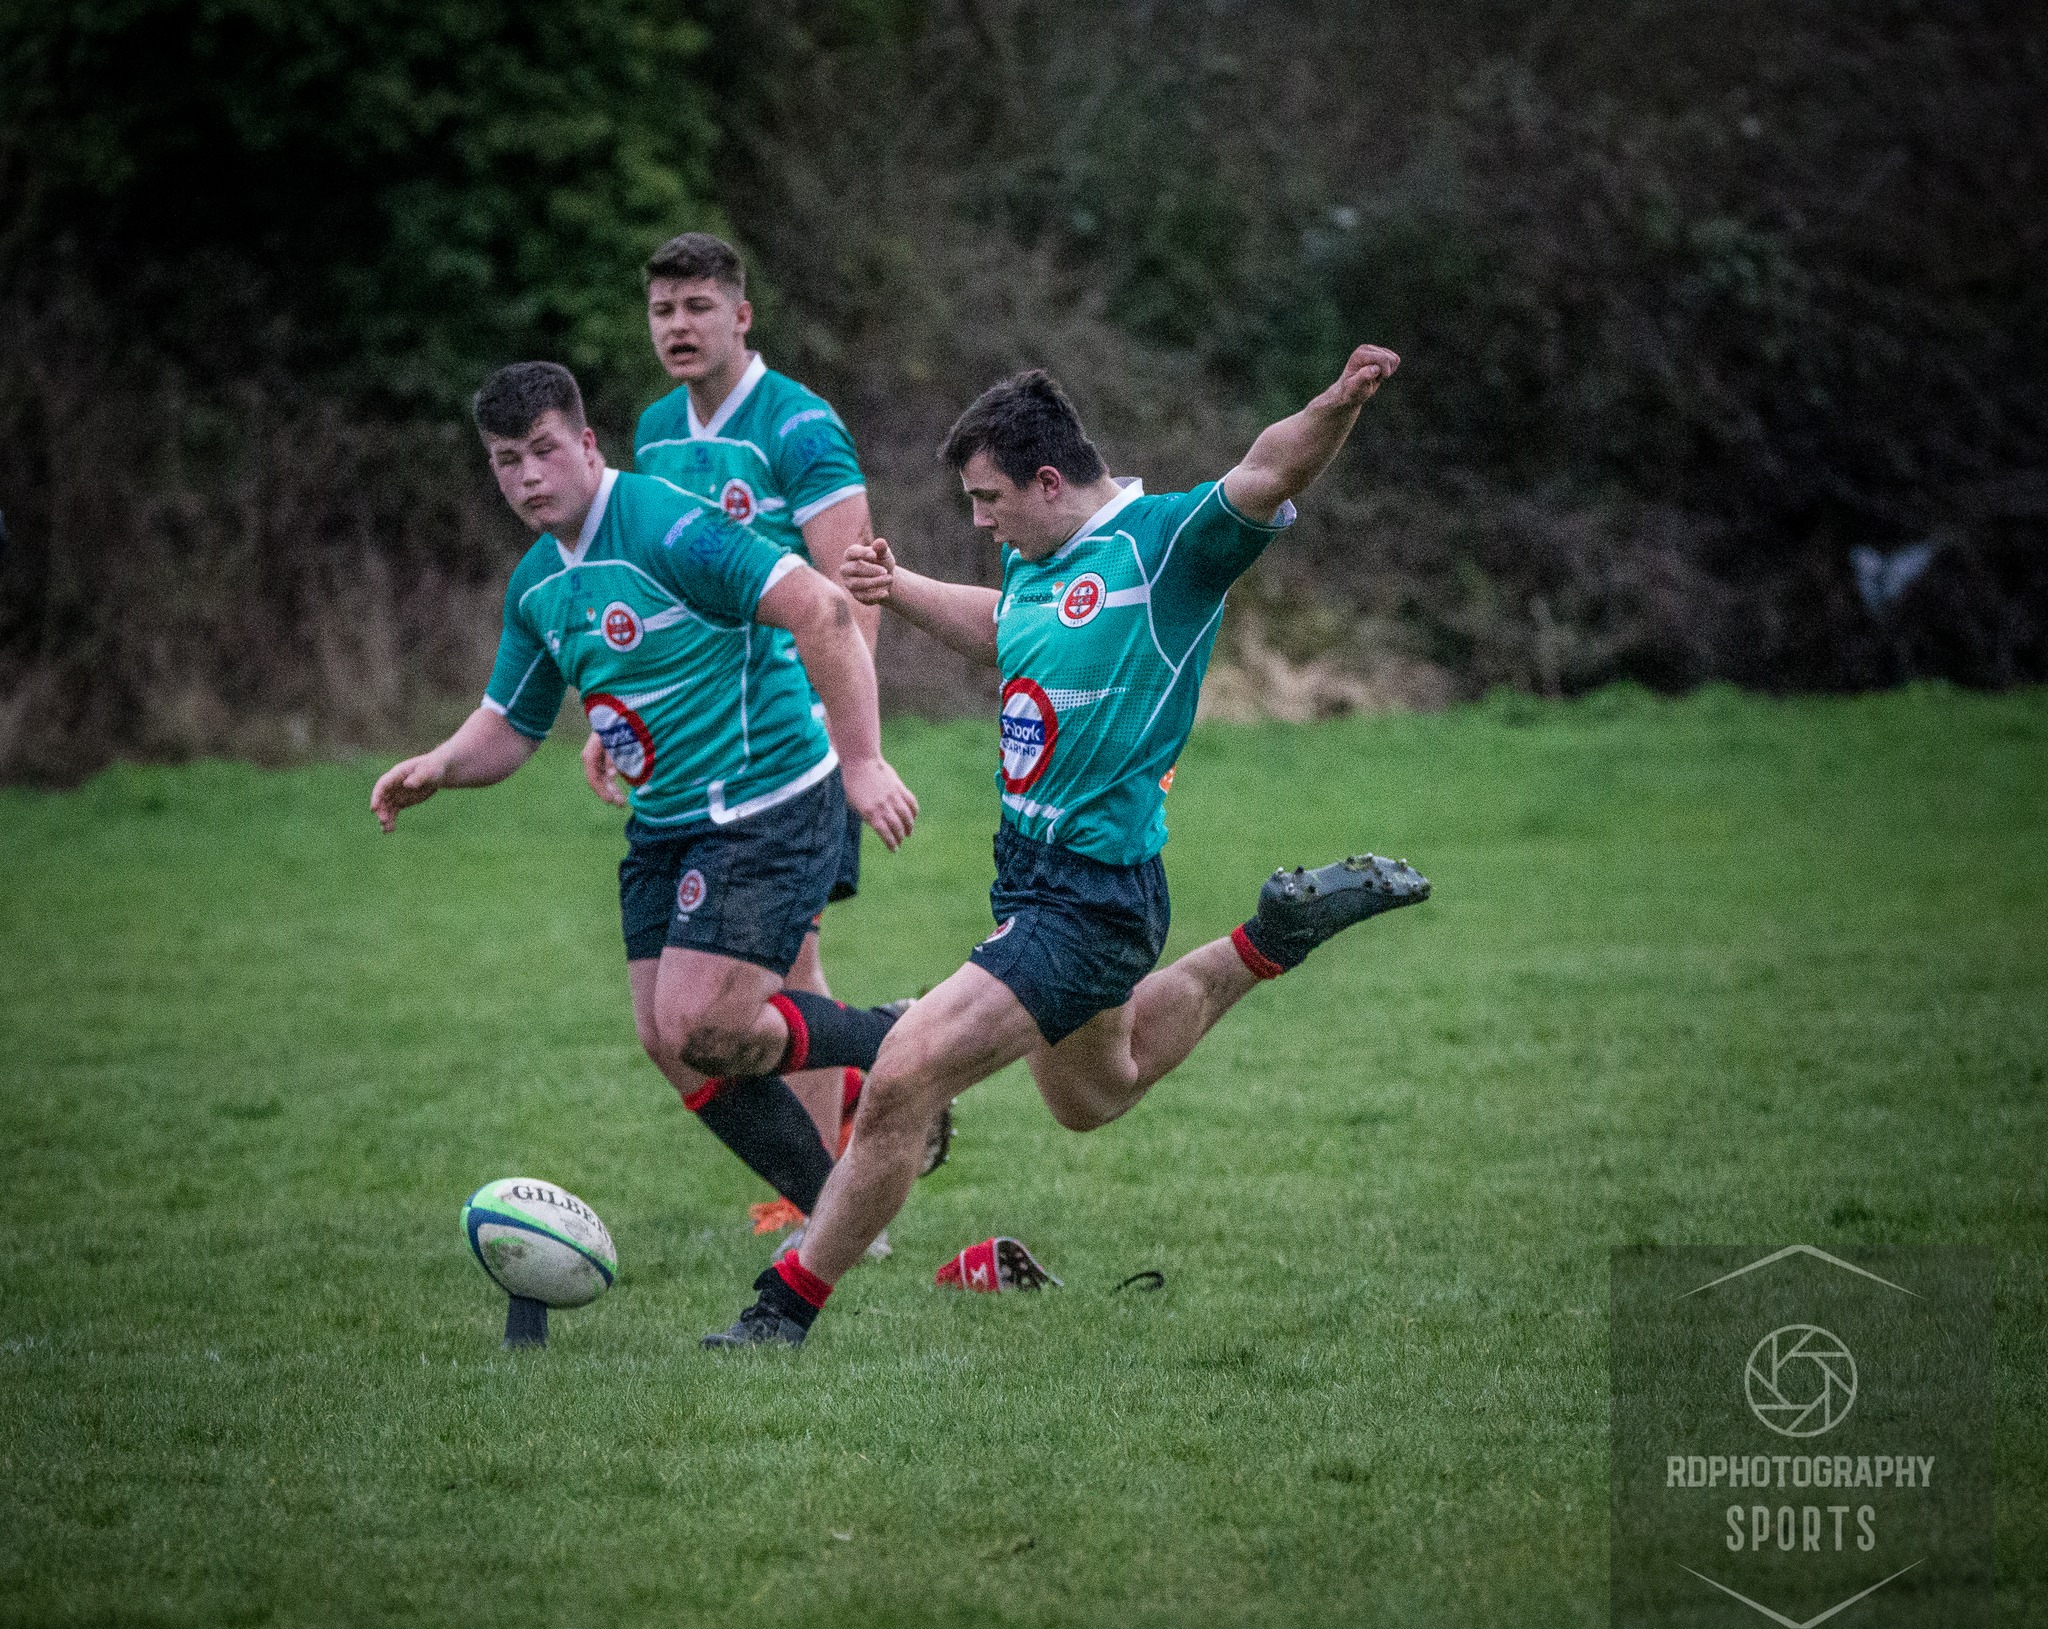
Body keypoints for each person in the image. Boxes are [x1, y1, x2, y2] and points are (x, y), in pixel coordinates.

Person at [705, 347, 1431, 1348]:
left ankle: (780, 1312)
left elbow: (1269, 468)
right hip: (1037, 882)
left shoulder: (1164, 547)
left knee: (904, 1075)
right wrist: (897, 587)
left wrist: (1339, 401)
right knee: (1098, 1091)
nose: (979, 520)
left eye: (988, 498)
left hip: (1087, 902)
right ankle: (1271, 937)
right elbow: (1009, 629)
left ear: (1049, 481)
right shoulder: (1035, 559)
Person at [372, 361, 919, 1230]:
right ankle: (834, 1212)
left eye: (544, 450)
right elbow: (509, 723)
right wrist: (441, 763)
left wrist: (862, 762)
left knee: (703, 1019)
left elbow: (822, 609)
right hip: (666, 820)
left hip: (765, 800)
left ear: (588, 445)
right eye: (507, 461)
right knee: (673, 1042)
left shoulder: (669, 526)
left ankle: (907, 1041)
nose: (528, 476)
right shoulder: (538, 582)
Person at [580, 231, 910, 1186]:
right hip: (701, 748)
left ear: (741, 314)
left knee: (784, 971)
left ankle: (827, 1186)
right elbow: (650, 586)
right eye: (662, 310)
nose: (678, 326)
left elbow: (851, 590)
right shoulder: (655, 432)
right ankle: (838, 1158)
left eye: (697, 307)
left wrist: (843, 736)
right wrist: (619, 718)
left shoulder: (798, 426)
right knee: (777, 977)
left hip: (789, 749)